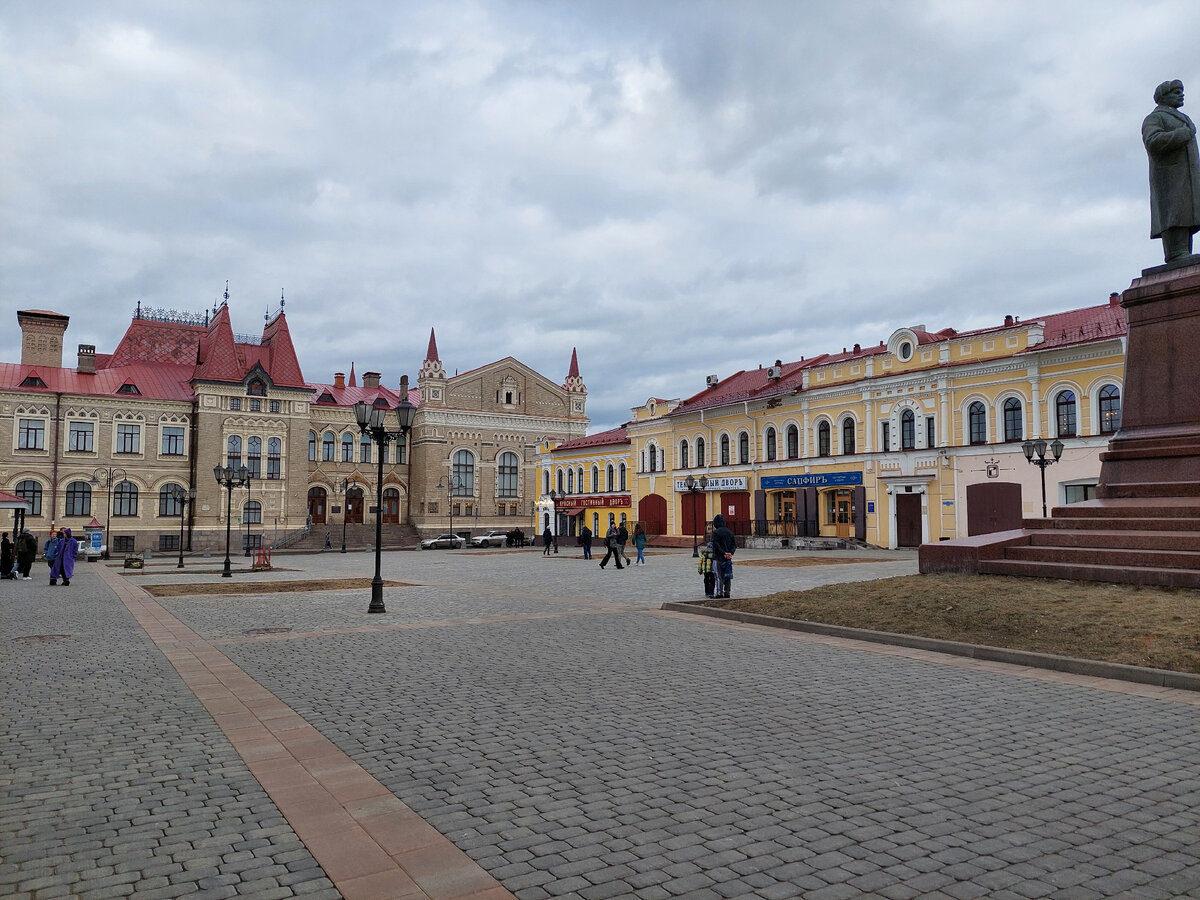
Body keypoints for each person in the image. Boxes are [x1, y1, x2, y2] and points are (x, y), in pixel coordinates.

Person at [1143, 79, 1200, 263]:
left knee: (1185, 214)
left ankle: (1183, 253)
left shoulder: (1182, 117)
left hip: (1187, 177)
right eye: (1176, 92)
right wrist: (1182, 134)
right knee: (1174, 214)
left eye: (1181, 91)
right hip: (1169, 178)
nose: (1181, 95)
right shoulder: (1155, 117)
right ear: (1164, 97)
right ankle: (1176, 253)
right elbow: (1153, 141)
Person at [710, 514, 736, 599]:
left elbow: (716, 545)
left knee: (718, 576)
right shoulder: (730, 532)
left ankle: (719, 593)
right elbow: (734, 545)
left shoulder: (715, 533)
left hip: (718, 558)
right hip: (728, 559)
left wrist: (723, 553)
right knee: (727, 576)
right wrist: (730, 553)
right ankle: (727, 592)